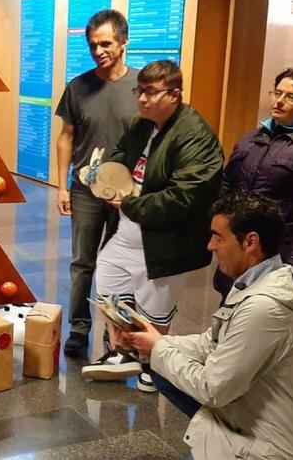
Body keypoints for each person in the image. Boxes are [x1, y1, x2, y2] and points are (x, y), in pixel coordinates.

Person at [121, 192, 293, 460]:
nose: (210, 246)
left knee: (163, 362)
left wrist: (158, 348)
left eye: (218, 237)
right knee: (159, 365)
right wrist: (148, 342)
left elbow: (213, 389)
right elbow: (211, 343)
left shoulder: (265, 309)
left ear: (251, 242)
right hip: (247, 421)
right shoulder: (253, 280)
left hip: (270, 450)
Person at [82, 60, 224, 392]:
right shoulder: (142, 125)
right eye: (140, 91)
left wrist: (130, 202)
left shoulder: (195, 135)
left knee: (155, 310)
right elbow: (119, 157)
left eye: (151, 92)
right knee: (109, 287)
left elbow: (183, 197)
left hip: (167, 242)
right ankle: (124, 353)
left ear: (175, 95)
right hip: (128, 233)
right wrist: (102, 177)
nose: (142, 99)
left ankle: (154, 365)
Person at [55, 9, 139, 358]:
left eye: (105, 43)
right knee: (83, 261)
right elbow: (66, 137)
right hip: (85, 191)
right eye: (92, 45)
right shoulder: (78, 87)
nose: (98, 50)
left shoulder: (141, 86)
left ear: (123, 42)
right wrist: (62, 185)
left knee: (121, 264)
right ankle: (79, 327)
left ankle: (116, 332)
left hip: (128, 194)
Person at [215, 68, 293, 297]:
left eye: (291, 96)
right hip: (239, 248)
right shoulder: (250, 139)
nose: (279, 101)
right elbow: (227, 186)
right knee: (229, 315)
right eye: (277, 92)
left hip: (279, 253)